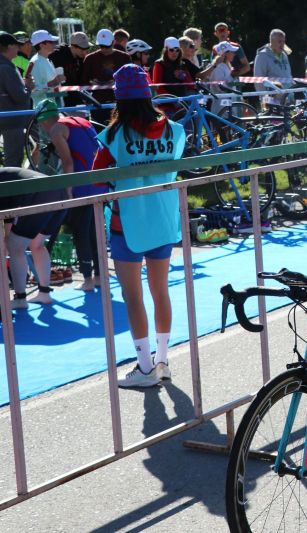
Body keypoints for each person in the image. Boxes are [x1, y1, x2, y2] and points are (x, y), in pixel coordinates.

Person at [92, 64, 186, 387]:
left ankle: (145, 367)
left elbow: (97, 176)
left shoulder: (114, 135)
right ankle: (162, 361)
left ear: (118, 98)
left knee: (133, 296)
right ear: (149, 93)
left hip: (127, 224)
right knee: (161, 291)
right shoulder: (174, 130)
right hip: (163, 219)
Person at [35, 99, 105, 291]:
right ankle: (99, 276)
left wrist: (68, 191)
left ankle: (87, 280)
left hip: (82, 184)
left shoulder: (56, 130)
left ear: (44, 120)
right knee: (94, 231)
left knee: (80, 231)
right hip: (99, 180)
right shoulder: (80, 121)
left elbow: (68, 163)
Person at [2, 165, 69, 309]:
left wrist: (8, 242)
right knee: (37, 244)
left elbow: (7, 218)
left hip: (39, 192)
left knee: (15, 247)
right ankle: (44, 294)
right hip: (59, 191)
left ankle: (20, 299)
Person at [80, 29, 131, 124]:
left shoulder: (124, 57)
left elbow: (130, 79)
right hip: (97, 103)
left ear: (113, 42)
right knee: (100, 129)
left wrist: (117, 82)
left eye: (107, 46)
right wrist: (91, 83)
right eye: (101, 46)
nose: (104, 49)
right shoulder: (90, 59)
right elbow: (83, 82)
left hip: (120, 102)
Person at [0, 32, 30, 168]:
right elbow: (20, 97)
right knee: (13, 162)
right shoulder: (6, 68)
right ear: (9, 46)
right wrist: (28, 87)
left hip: (6, 117)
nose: (19, 48)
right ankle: (11, 182)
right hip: (12, 121)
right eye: (17, 45)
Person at [50, 32, 93, 108]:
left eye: (87, 48)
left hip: (77, 99)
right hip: (60, 101)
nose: (85, 52)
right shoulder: (57, 55)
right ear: (73, 46)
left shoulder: (82, 58)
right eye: (82, 49)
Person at [26, 30, 65, 107]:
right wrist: (53, 83)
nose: (54, 44)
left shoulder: (47, 60)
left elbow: (49, 90)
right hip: (43, 110)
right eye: (50, 42)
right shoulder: (35, 62)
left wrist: (63, 93)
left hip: (51, 108)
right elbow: (33, 92)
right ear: (41, 45)